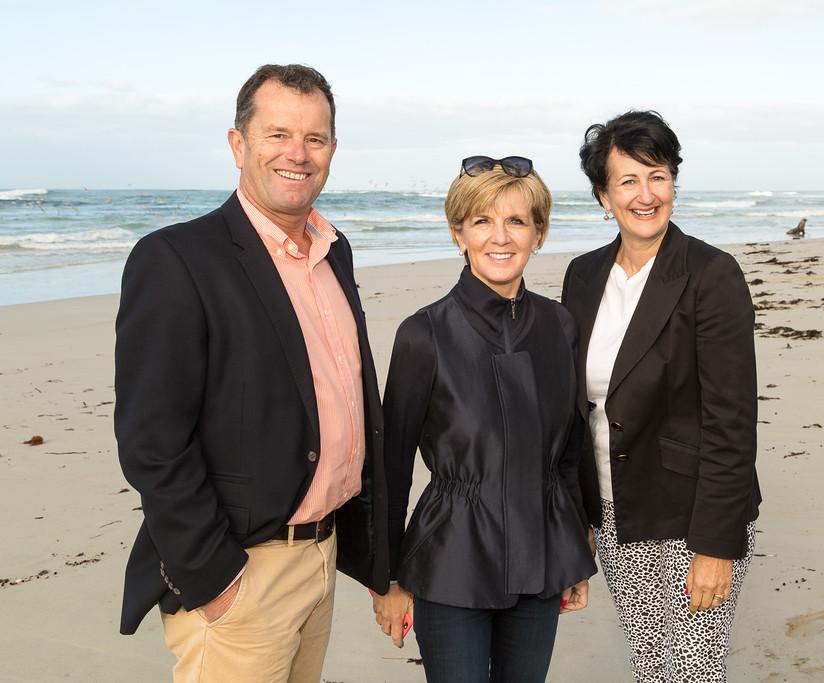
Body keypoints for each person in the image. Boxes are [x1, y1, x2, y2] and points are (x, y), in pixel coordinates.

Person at [114, 64, 389, 682]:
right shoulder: (177, 260)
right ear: (238, 144)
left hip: (322, 556)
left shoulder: (332, 250)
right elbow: (151, 442)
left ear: (333, 151)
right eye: (277, 134)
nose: (297, 153)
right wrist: (216, 580)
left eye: (314, 139)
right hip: (243, 576)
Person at [372, 156, 596, 682]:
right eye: (482, 221)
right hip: (452, 560)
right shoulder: (423, 333)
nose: (501, 237)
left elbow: (569, 449)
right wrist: (387, 579)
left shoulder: (559, 325)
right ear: (459, 233)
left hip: (541, 557)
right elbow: (391, 467)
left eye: (517, 221)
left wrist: (573, 548)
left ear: (538, 233)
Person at [560, 111, 761, 682]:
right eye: (628, 181)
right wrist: (580, 516)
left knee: (692, 670)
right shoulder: (583, 275)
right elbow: (578, 409)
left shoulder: (711, 274)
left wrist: (715, 546)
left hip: (690, 514)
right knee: (651, 665)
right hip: (616, 509)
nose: (645, 195)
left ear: (673, 182)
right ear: (604, 195)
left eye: (657, 176)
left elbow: (731, 421)